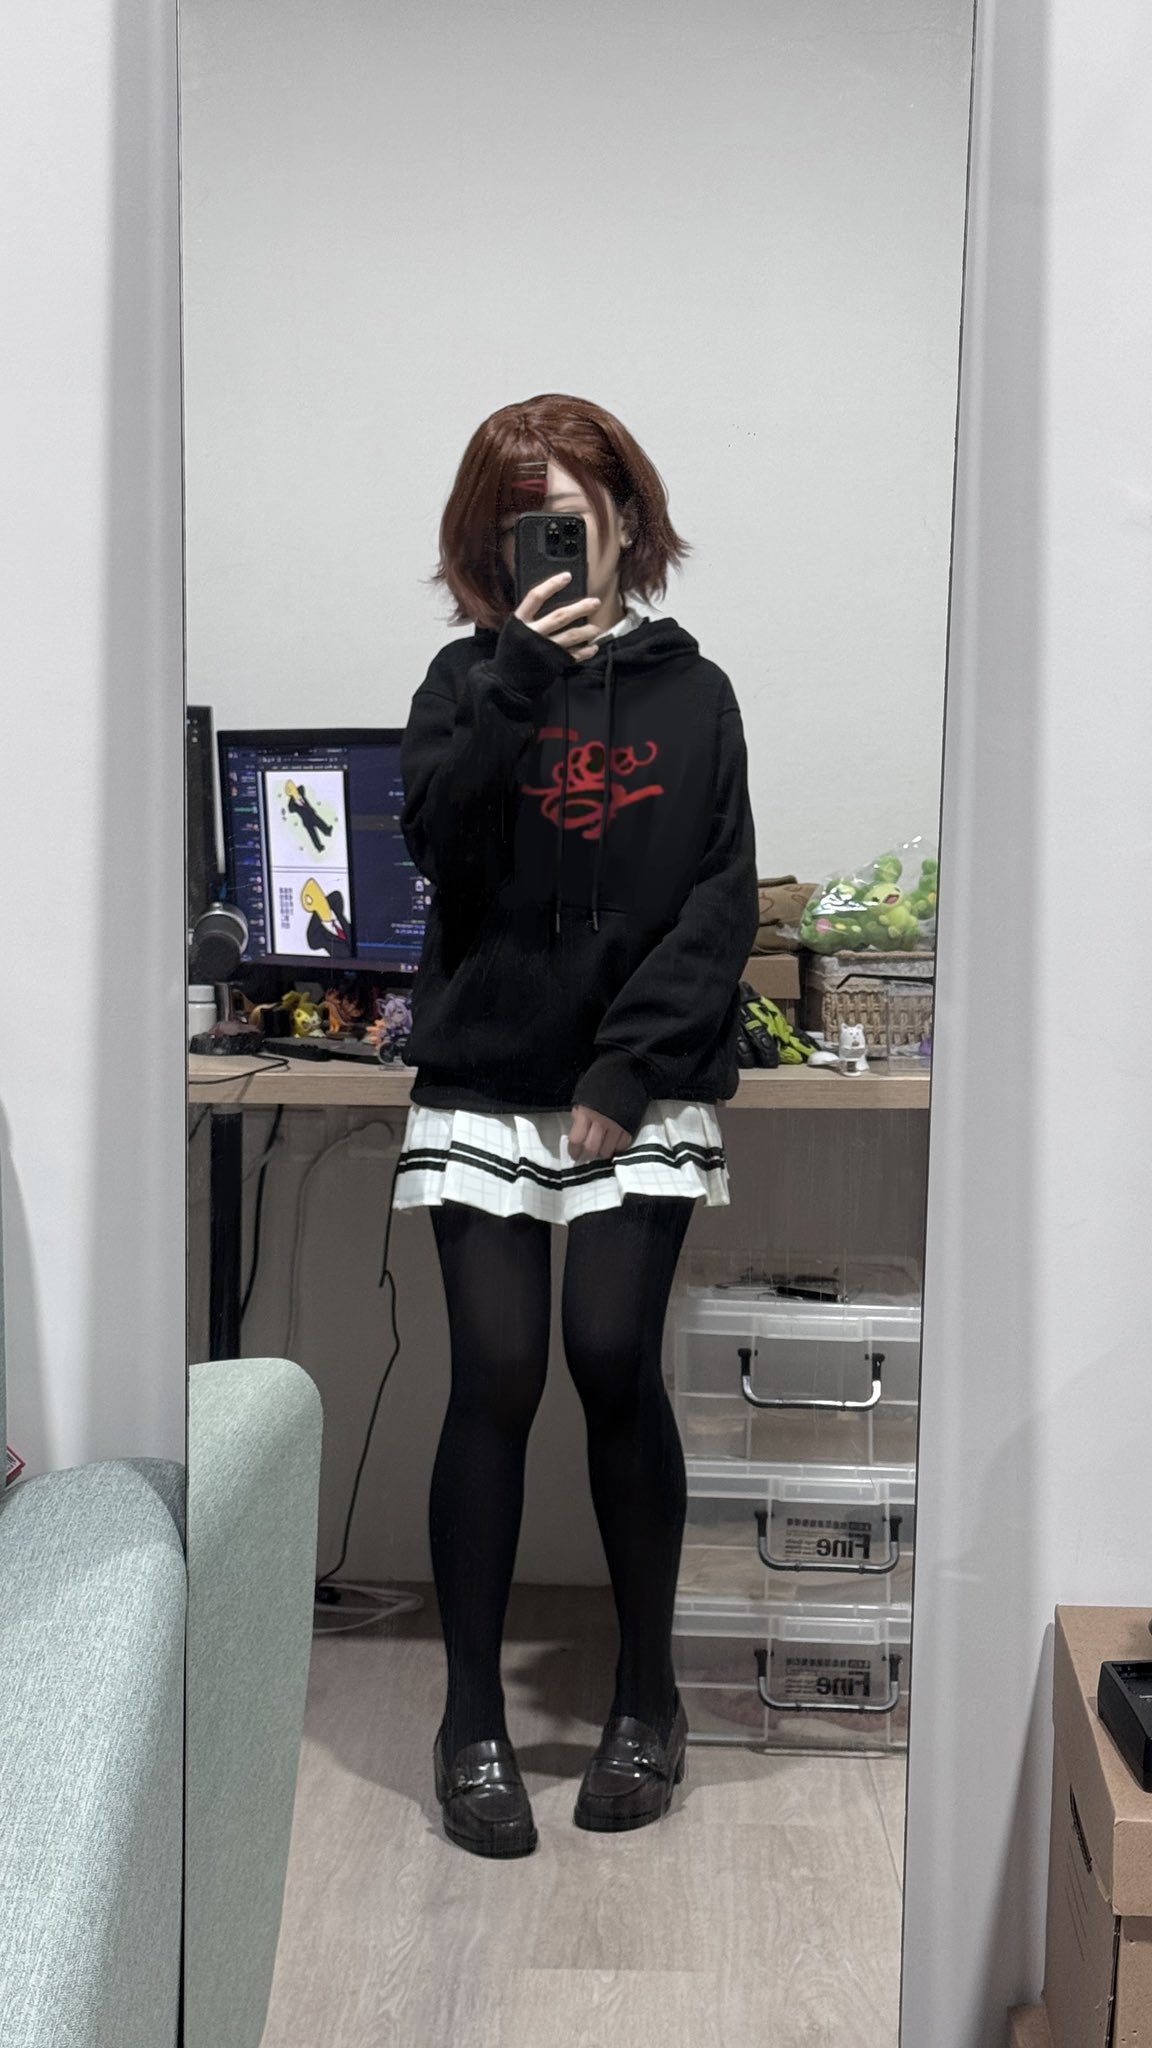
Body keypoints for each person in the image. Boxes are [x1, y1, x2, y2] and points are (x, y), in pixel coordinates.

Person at [395, 393, 759, 1858]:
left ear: (622, 517)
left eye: (565, 517)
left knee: (611, 1357)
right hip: (486, 1073)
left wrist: (622, 1073)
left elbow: (718, 902)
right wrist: (517, 678)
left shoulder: (696, 694)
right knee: (494, 1372)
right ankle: (470, 1719)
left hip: (636, 1081)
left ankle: (646, 1701)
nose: (543, 545)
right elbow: (441, 847)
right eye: (516, 526)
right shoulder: (460, 683)